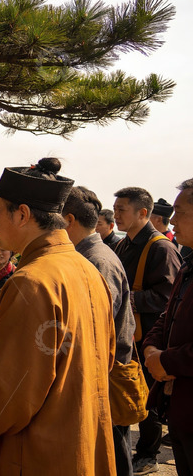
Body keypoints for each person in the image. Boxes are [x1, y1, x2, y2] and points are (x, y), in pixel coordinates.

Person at [0, 157, 116, 474]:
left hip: (37, 452)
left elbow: (5, 397)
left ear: (23, 214)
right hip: (79, 433)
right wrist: (2, 323)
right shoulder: (84, 267)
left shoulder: (30, 281)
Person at [62, 186, 136, 476]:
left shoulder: (97, 261)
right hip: (101, 371)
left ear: (68, 221)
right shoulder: (89, 255)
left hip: (106, 375)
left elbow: (93, 330)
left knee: (112, 452)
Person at [113, 186, 181, 475]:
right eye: (114, 210)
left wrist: (125, 298)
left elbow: (167, 297)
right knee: (127, 392)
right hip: (126, 332)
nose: (115, 215)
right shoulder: (122, 245)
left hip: (148, 334)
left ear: (143, 213)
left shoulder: (160, 248)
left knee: (148, 398)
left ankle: (148, 454)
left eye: (121, 210)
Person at [144, 178, 193, 476]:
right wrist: (151, 349)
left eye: (179, 211)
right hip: (180, 410)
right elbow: (167, 315)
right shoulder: (187, 265)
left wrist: (164, 360)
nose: (172, 219)